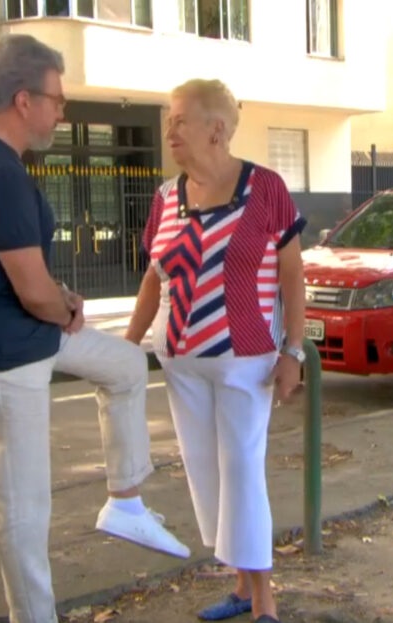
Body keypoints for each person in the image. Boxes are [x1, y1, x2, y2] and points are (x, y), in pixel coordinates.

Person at [0, 35, 189, 623]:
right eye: (57, 100)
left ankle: (125, 500)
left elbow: (26, 274)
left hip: (24, 333)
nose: (61, 111)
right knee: (23, 513)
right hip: (0, 353)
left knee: (124, 365)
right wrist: (60, 304)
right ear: (24, 100)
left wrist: (59, 298)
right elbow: (28, 287)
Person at [124, 79, 307, 623]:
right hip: (180, 359)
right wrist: (126, 348)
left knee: (243, 469)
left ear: (217, 130)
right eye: (168, 121)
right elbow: (154, 279)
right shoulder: (164, 198)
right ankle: (242, 587)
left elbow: (294, 276)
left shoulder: (266, 188)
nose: (169, 131)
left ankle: (265, 604)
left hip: (245, 358)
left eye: (180, 120)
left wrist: (294, 351)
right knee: (207, 474)